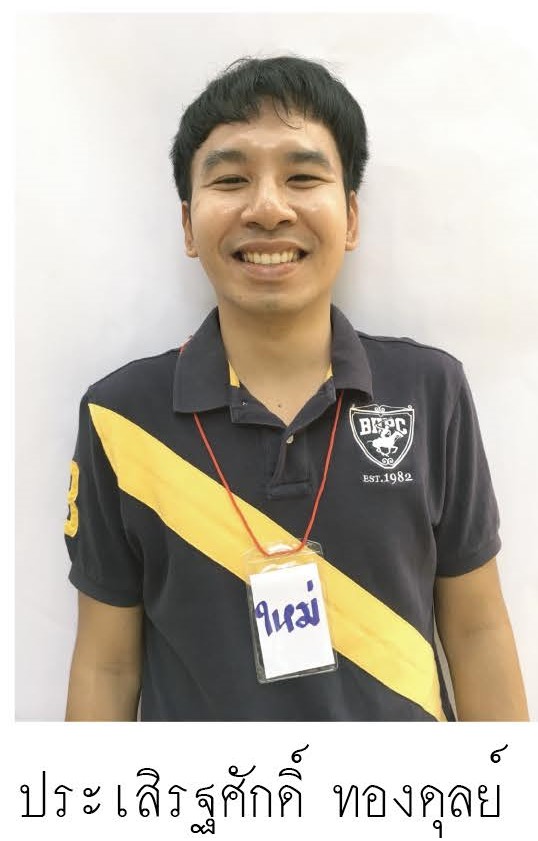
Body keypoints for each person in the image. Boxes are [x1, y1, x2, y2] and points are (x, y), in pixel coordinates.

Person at [64, 55, 528, 722]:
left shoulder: (431, 390)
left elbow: (477, 630)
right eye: (231, 179)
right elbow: (106, 666)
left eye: (303, 176)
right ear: (189, 225)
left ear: (351, 217)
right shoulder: (119, 415)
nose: (267, 208)